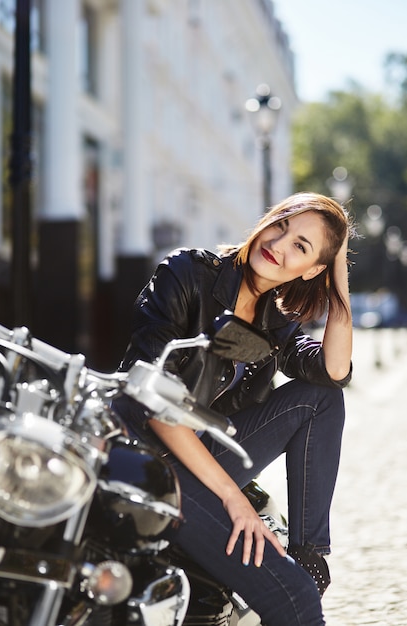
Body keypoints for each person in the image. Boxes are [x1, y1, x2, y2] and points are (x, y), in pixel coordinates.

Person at [112, 192, 355, 626]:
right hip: (151, 465)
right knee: (294, 600)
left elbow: (333, 371)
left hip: (203, 459)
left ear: (312, 269)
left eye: (300, 246)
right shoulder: (188, 273)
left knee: (321, 399)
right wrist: (232, 497)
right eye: (280, 224)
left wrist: (338, 274)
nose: (278, 244)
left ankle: (309, 555)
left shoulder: (275, 322)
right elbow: (153, 400)